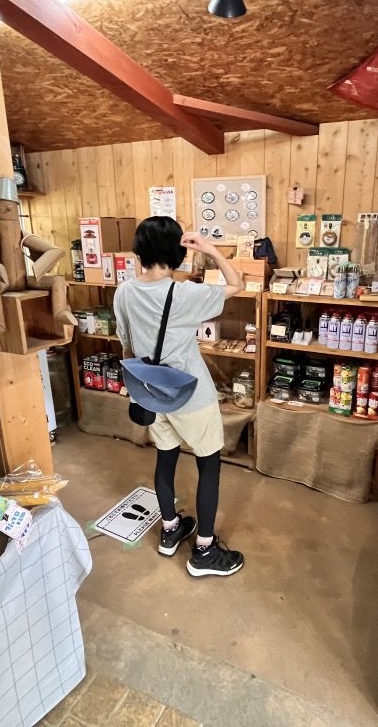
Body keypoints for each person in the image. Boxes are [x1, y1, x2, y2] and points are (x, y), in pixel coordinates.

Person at [113, 217, 246, 577]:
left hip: (150, 392)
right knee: (209, 465)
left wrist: (137, 389)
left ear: (138, 252)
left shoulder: (123, 292)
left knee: (165, 459)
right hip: (191, 394)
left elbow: (126, 346)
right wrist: (210, 249)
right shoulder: (185, 293)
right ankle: (204, 550)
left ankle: (170, 529)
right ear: (178, 253)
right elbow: (237, 283)